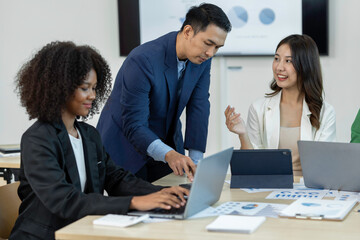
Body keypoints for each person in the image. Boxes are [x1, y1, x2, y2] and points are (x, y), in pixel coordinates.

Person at [9, 41, 189, 240]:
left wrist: (165, 193)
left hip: (82, 230)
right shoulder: (37, 139)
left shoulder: (88, 134)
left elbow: (115, 178)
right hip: (45, 236)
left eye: (95, 88)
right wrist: (135, 202)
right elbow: (65, 201)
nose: (93, 95)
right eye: (85, 88)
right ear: (59, 88)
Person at [97, 3, 232, 182]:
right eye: (208, 43)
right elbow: (134, 124)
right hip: (126, 146)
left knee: (174, 200)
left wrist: (197, 161)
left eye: (217, 47)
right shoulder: (142, 60)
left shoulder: (202, 58)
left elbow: (199, 106)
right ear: (188, 31)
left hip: (165, 143)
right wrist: (169, 154)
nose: (211, 53)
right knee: (137, 206)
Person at [225, 34, 336, 176]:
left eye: (288, 61)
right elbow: (252, 165)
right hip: (270, 186)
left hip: (309, 189)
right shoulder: (258, 108)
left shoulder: (325, 112)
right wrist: (243, 134)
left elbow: (325, 166)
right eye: (277, 59)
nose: (279, 67)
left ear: (306, 66)